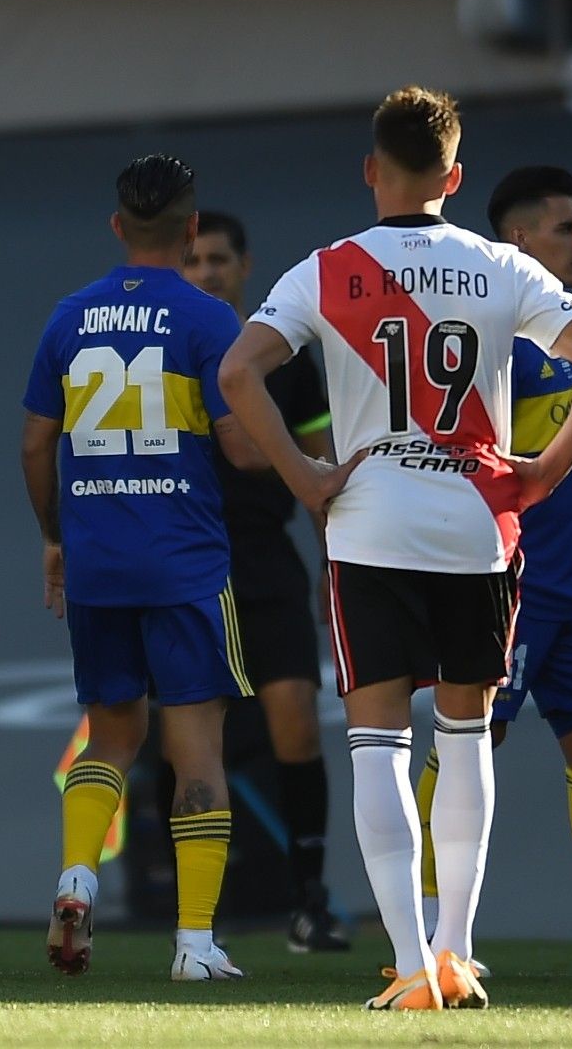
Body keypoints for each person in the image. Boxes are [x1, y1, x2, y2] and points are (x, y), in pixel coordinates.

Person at [219, 86, 572, 1010]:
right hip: (475, 527)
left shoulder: (326, 270)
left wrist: (305, 476)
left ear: (372, 170)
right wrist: (544, 470)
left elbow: (237, 371)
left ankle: (411, 965)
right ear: (455, 176)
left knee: (378, 743)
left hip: (369, 522)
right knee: (466, 736)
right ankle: (457, 951)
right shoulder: (501, 267)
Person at [415, 166, 572, 981]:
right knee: (467, 743)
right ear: (518, 238)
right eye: (568, 228)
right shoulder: (485, 329)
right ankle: (424, 936)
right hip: (507, 581)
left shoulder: (566, 327)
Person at [25, 154, 262, 983]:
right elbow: (238, 445)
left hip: (98, 562)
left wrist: (56, 534)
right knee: (196, 751)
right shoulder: (209, 321)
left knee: (110, 732)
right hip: (186, 564)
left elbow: (33, 443)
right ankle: (195, 946)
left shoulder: (69, 318)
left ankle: (77, 875)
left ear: (117, 227)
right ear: (192, 228)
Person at [183, 210, 347, 951]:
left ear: (246, 268)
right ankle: (195, 916)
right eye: (193, 261)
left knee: (296, 724)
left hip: (268, 561)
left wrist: (331, 563)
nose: (207, 272)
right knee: (186, 741)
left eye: (219, 259)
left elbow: (322, 465)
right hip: (187, 560)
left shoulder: (288, 360)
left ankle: (308, 901)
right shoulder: (170, 354)